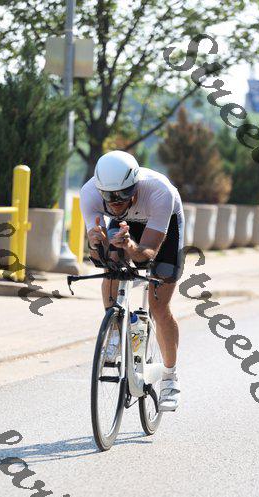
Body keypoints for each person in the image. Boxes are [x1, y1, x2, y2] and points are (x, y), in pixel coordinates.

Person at [80, 150, 185, 412]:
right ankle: (115, 330)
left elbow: (147, 254)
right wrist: (95, 245)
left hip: (162, 226)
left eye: (123, 194)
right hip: (124, 225)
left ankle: (170, 378)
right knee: (111, 265)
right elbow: (98, 257)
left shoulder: (160, 192)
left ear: (135, 185)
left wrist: (130, 246)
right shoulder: (89, 193)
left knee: (159, 305)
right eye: (109, 197)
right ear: (99, 190)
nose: (115, 203)